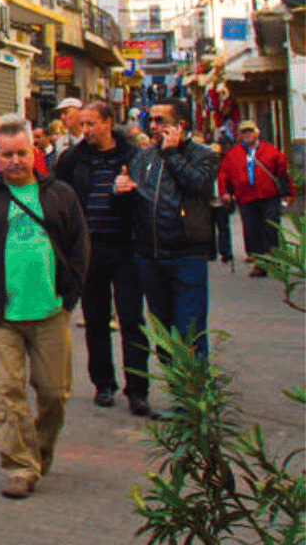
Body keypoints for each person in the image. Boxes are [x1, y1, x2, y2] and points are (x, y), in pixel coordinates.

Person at [0, 116, 90, 498]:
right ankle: (19, 466)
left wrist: (70, 295)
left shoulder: (60, 195)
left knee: (55, 393)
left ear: (34, 152)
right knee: (8, 392)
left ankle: (40, 451)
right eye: (6, 155)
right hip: (1, 316)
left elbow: (79, 247)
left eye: (21, 153)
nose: (15, 161)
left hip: (50, 312)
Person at [54, 100, 148, 415]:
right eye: (83, 124)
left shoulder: (133, 157)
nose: (86, 130)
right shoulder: (72, 159)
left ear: (108, 122)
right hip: (89, 249)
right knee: (95, 318)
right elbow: (59, 200)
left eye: (91, 124)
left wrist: (131, 191)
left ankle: (138, 388)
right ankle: (103, 384)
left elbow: (149, 199)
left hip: (126, 247)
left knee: (132, 319)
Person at [119, 102, 219, 365]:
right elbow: (137, 196)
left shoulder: (203, 154)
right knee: (163, 332)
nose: (152, 126)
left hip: (187, 254)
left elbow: (198, 185)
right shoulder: (144, 156)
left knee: (189, 331)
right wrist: (121, 189)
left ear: (180, 125)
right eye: (150, 120)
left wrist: (172, 154)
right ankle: (177, 391)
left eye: (160, 120)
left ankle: (192, 399)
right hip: (150, 254)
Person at [218, 120, 294, 276]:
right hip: (246, 198)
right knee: (252, 231)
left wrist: (287, 193)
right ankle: (259, 262)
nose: (247, 134)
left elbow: (282, 172)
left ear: (256, 133)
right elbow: (224, 175)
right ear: (239, 135)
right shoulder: (233, 154)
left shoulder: (270, 150)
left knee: (271, 227)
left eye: (250, 131)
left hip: (269, 196)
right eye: (244, 132)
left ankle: (272, 256)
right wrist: (225, 192)